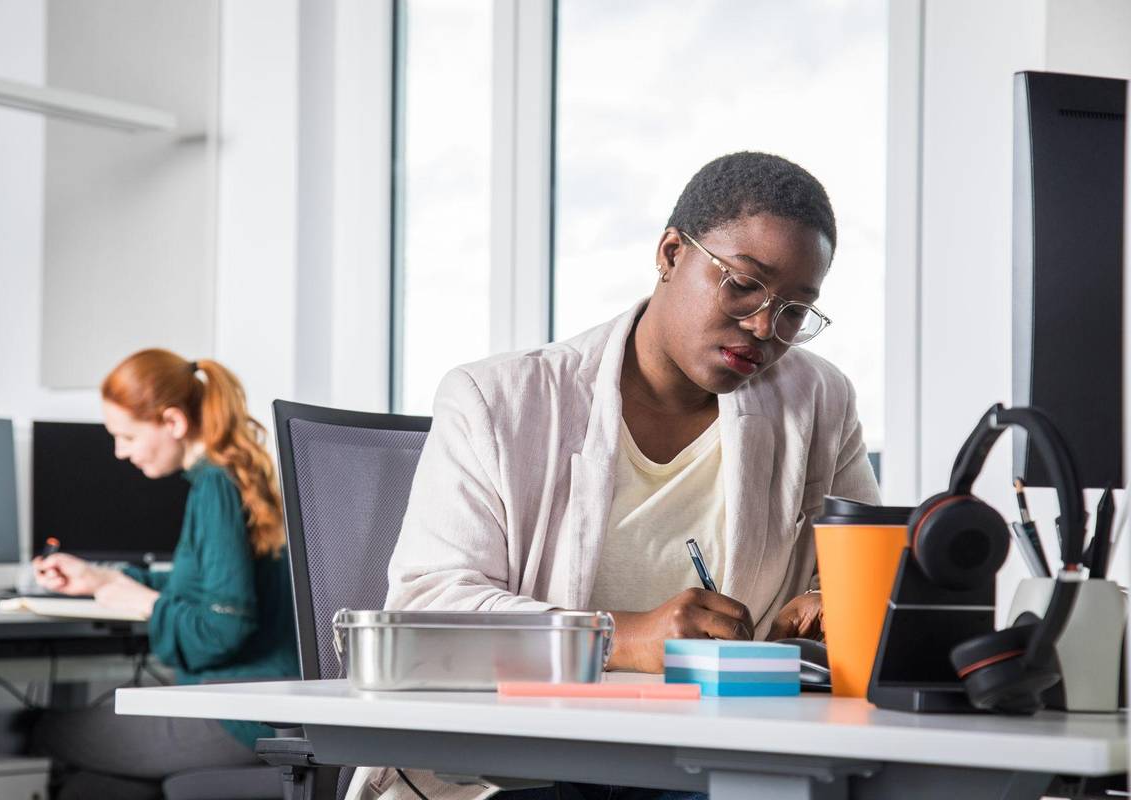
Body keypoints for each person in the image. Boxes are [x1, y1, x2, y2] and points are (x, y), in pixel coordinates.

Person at [351, 152, 880, 800]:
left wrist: (833, 604)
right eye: (743, 284)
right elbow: (426, 613)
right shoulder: (500, 401)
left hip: (721, 757)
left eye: (795, 310)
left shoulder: (816, 400)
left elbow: (865, 567)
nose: (765, 328)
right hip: (523, 766)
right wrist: (624, 638)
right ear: (669, 254)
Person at [31, 350, 299, 800]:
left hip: (240, 714)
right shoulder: (229, 477)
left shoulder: (214, 487)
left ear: (172, 422)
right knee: (97, 786)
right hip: (261, 705)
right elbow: (208, 588)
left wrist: (142, 603)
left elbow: (223, 626)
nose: (120, 452)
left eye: (128, 437)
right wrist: (98, 580)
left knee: (41, 730)